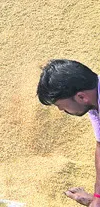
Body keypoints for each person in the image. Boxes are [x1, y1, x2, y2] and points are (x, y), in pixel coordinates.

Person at [37, 59, 100, 207]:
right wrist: (98, 196)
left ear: (81, 97)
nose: (60, 110)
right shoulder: (93, 100)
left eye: (59, 104)